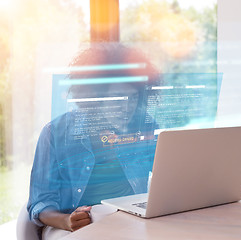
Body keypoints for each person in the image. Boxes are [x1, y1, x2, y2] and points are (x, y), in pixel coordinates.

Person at [27, 43, 159, 239]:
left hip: (130, 220)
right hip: (72, 225)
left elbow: (164, 177)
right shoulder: (54, 133)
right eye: (117, 98)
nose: (127, 107)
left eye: (133, 98)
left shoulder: (145, 126)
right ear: (95, 97)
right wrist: (67, 220)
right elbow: (40, 203)